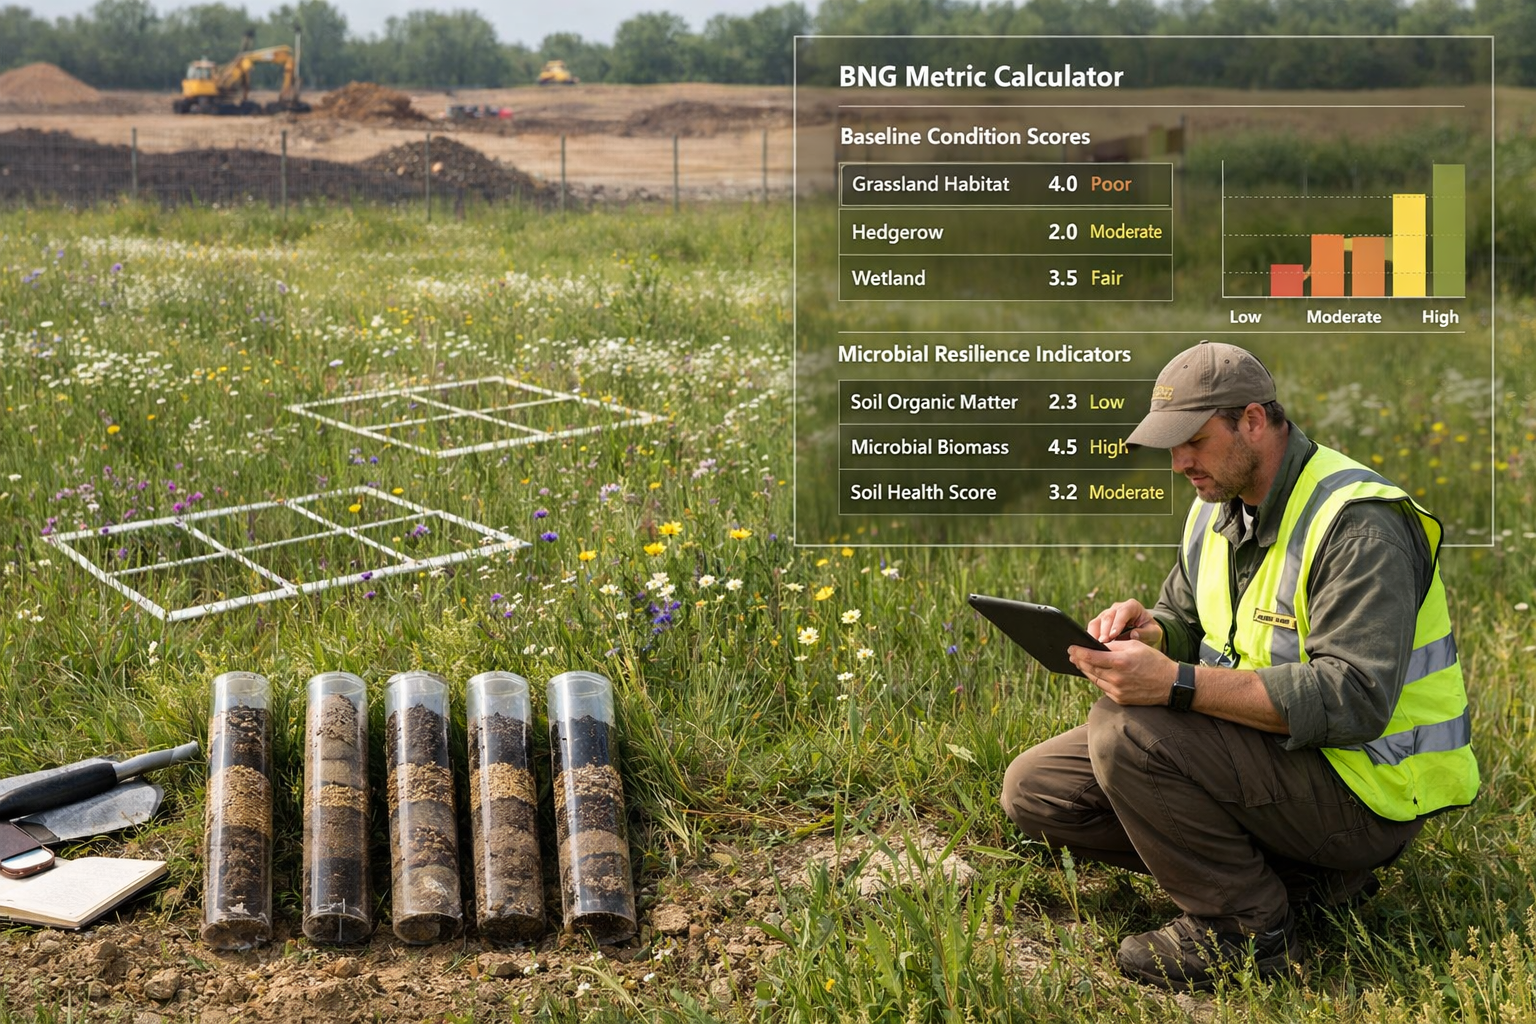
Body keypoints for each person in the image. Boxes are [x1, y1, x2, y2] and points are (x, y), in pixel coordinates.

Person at [1000, 341, 1478, 990]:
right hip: (1272, 754)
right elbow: (1184, 615)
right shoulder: (1218, 507)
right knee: (1036, 789)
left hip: (1366, 791)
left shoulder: (1358, 524)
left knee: (1129, 732)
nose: (1178, 464)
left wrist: (1174, 684)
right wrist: (1155, 631)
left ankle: (1241, 932)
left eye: (1192, 440)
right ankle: (1302, 882)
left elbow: (1353, 698)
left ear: (1252, 420)